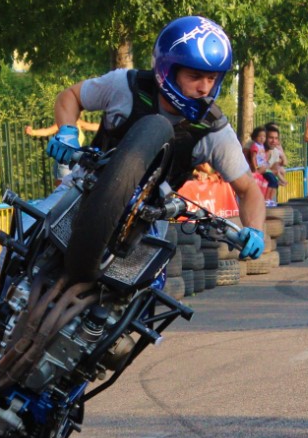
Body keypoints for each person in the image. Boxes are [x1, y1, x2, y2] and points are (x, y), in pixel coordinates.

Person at [44, 15, 266, 259]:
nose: (205, 88)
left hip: (146, 217)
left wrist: (255, 230)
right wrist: (67, 132)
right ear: (167, 70)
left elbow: (248, 190)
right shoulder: (124, 85)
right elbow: (71, 97)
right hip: (83, 186)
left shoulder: (213, 130)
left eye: (211, 78)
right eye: (194, 76)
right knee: (27, 231)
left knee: (146, 287)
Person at [244, 126, 281, 191]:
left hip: (263, 174)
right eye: (270, 138)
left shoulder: (275, 152)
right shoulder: (252, 146)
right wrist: (256, 170)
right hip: (254, 177)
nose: (273, 141)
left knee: (274, 180)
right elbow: (250, 159)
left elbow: (277, 168)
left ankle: (268, 199)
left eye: (276, 138)